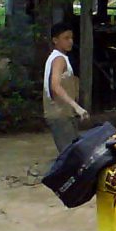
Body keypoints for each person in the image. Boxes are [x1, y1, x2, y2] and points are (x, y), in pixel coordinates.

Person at [43, 21, 89, 153]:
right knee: (69, 154)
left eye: (71, 38)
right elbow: (55, 86)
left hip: (63, 114)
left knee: (73, 151)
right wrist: (76, 106)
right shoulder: (59, 59)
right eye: (66, 38)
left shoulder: (58, 58)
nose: (70, 41)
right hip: (60, 114)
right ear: (55, 40)